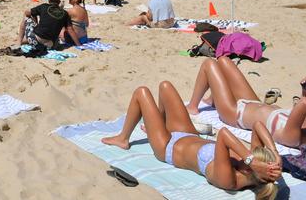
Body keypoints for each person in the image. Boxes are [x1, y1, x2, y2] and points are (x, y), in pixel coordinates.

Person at [101, 81, 280, 199]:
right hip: (189, 134)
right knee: (165, 87)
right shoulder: (249, 165)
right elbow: (257, 125)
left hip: (168, 147)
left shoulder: (230, 179)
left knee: (142, 92)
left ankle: (123, 138)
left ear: (253, 171)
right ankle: (156, 125)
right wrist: (274, 154)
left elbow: (224, 135)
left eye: (249, 161)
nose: (245, 157)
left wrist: (250, 159)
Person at [185, 57, 306, 156]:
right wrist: (305, 91)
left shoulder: (293, 138)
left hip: (234, 113)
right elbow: (302, 105)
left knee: (209, 64)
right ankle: (210, 100)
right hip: (253, 103)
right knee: (224, 61)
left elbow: (304, 106)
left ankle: (193, 106)